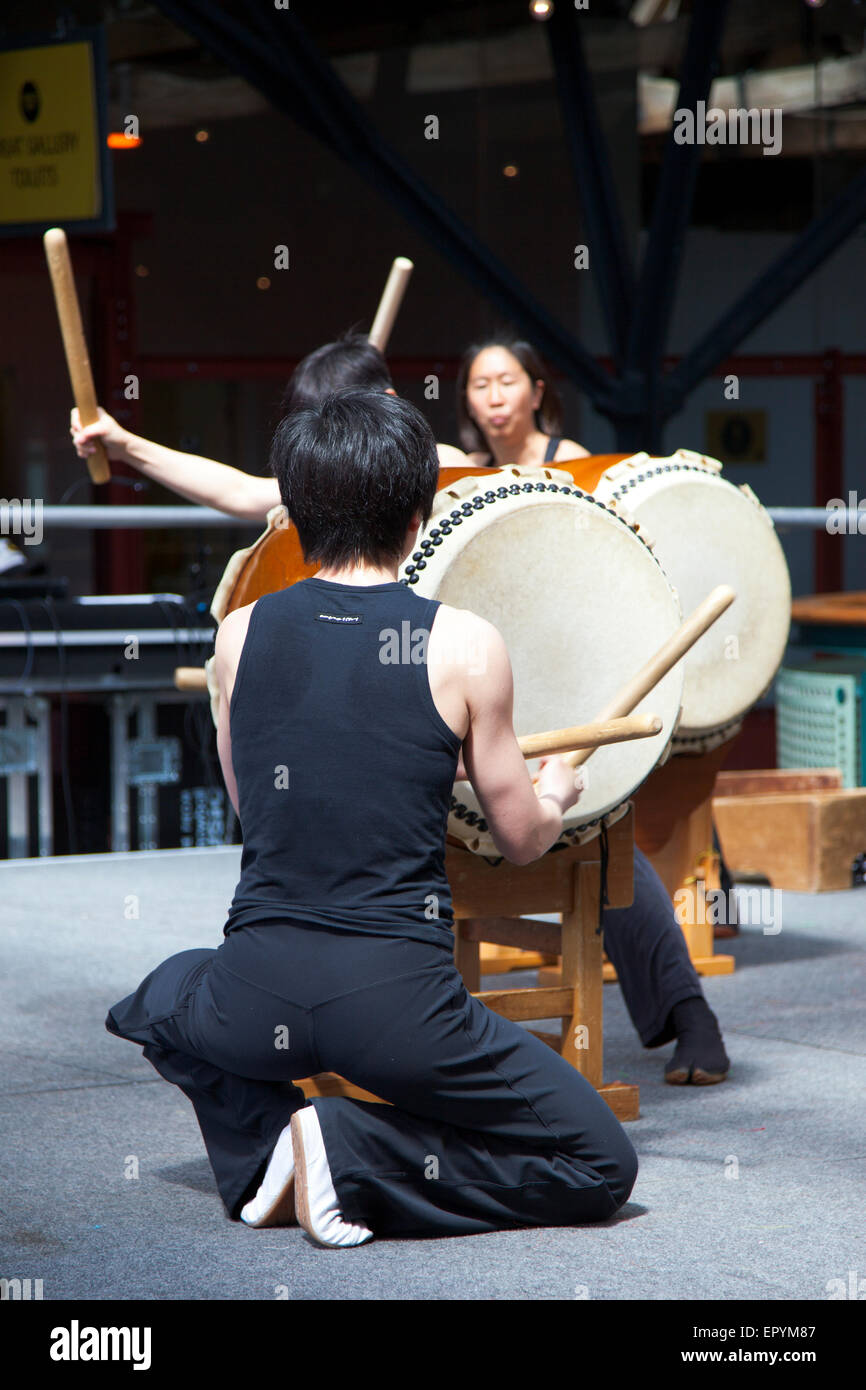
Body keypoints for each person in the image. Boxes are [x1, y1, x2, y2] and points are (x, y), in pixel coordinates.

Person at [104, 388, 638, 1245]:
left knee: (156, 999)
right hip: (400, 1013)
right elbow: (522, 841)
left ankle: (269, 1153)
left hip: (254, 994)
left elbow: (256, 809)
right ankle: (347, 1150)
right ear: (422, 511)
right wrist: (558, 792)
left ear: (295, 512)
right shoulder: (465, 644)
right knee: (599, 1164)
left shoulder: (240, 633)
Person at [457, 337, 730, 1087]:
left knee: (603, 843)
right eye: (480, 384)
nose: (494, 396)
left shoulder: (577, 465)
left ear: (538, 390)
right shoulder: (451, 474)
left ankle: (689, 1014)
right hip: (475, 683)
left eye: (506, 380)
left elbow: (612, 568)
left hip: (567, 682)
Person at [70, 331, 466, 518]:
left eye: (337, 425)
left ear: (389, 404)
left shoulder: (445, 466)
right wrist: (124, 445)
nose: (324, 441)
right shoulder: (321, 482)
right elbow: (239, 491)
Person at [456, 338, 589, 468]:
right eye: (481, 386)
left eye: (507, 382)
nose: (495, 400)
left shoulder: (572, 461)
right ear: (467, 402)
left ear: (537, 393)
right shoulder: (471, 468)